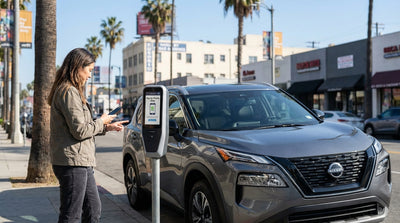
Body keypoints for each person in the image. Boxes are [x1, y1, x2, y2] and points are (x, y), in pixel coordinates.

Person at [47, 48, 128, 223]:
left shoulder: (72, 91)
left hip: (81, 161)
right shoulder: (68, 92)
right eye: (89, 70)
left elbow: (83, 128)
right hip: (72, 162)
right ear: (77, 67)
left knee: (93, 208)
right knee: (72, 214)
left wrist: (107, 127)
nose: (90, 76)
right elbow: (80, 130)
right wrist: (103, 120)